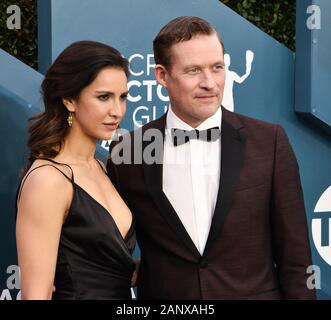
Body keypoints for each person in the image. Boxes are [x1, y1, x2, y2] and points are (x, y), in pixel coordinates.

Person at [107, 16, 316, 300]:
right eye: (193, 70)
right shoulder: (127, 152)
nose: (209, 83)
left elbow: (296, 260)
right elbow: (108, 257)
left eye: (217, 68)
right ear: (162, 75)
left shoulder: (269, 142)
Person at [16, 40, 136, 300]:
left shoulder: (101, 168)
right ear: (69, 99)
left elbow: (105, 271)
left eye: (123, 97)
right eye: (103, 97)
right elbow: (37, 295)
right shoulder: (48, 180)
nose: (117, 111)